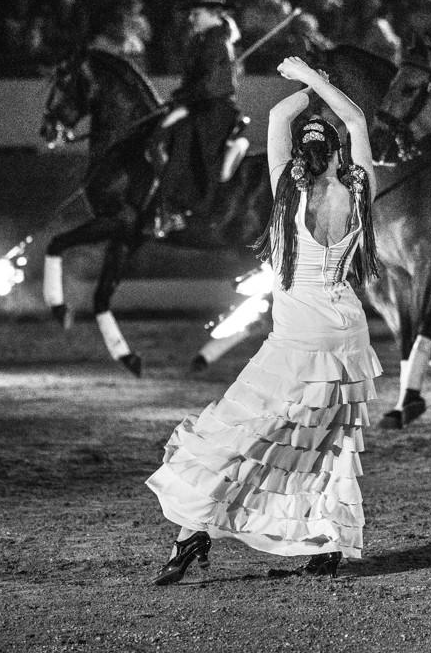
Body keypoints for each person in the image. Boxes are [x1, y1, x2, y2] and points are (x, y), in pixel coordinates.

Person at [146, 55, 381, 584]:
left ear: (300, 154)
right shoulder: (360, 188)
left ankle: (192, 534)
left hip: (297, 341)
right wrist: (324, 83)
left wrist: (305, 85)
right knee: (327, 443)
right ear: (340, 151)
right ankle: (328, 543)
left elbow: (277, 118)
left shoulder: (286, 192)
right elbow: (360, 121)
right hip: (347, 339)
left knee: (232, 435)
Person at [154, 0, 243, 236]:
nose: (191, 17)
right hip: (200, 105)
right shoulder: (206, 40)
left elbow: (211, 85)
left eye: (197, 13)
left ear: (213, 14)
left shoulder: (217, 42)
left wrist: (183, 99)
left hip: (213, 109)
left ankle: (175, 208)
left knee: (180, 139)